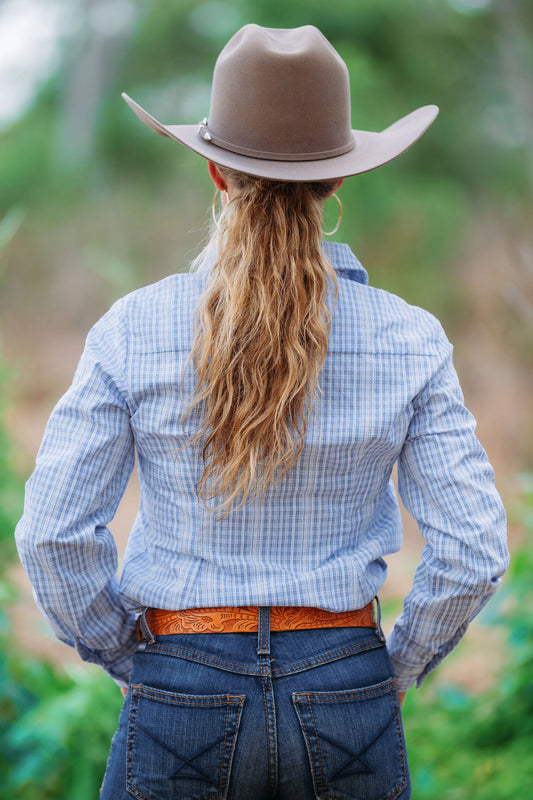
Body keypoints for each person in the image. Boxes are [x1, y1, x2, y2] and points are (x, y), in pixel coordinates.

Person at [15, 24, 508, 800]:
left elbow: (52, 534)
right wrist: (390, 669)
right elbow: (473, 549)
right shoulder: (409, 337)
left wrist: (134, 660)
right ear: (336, 180)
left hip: (179, 675)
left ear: (215, 171)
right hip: (345, 682)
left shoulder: (132, 329)